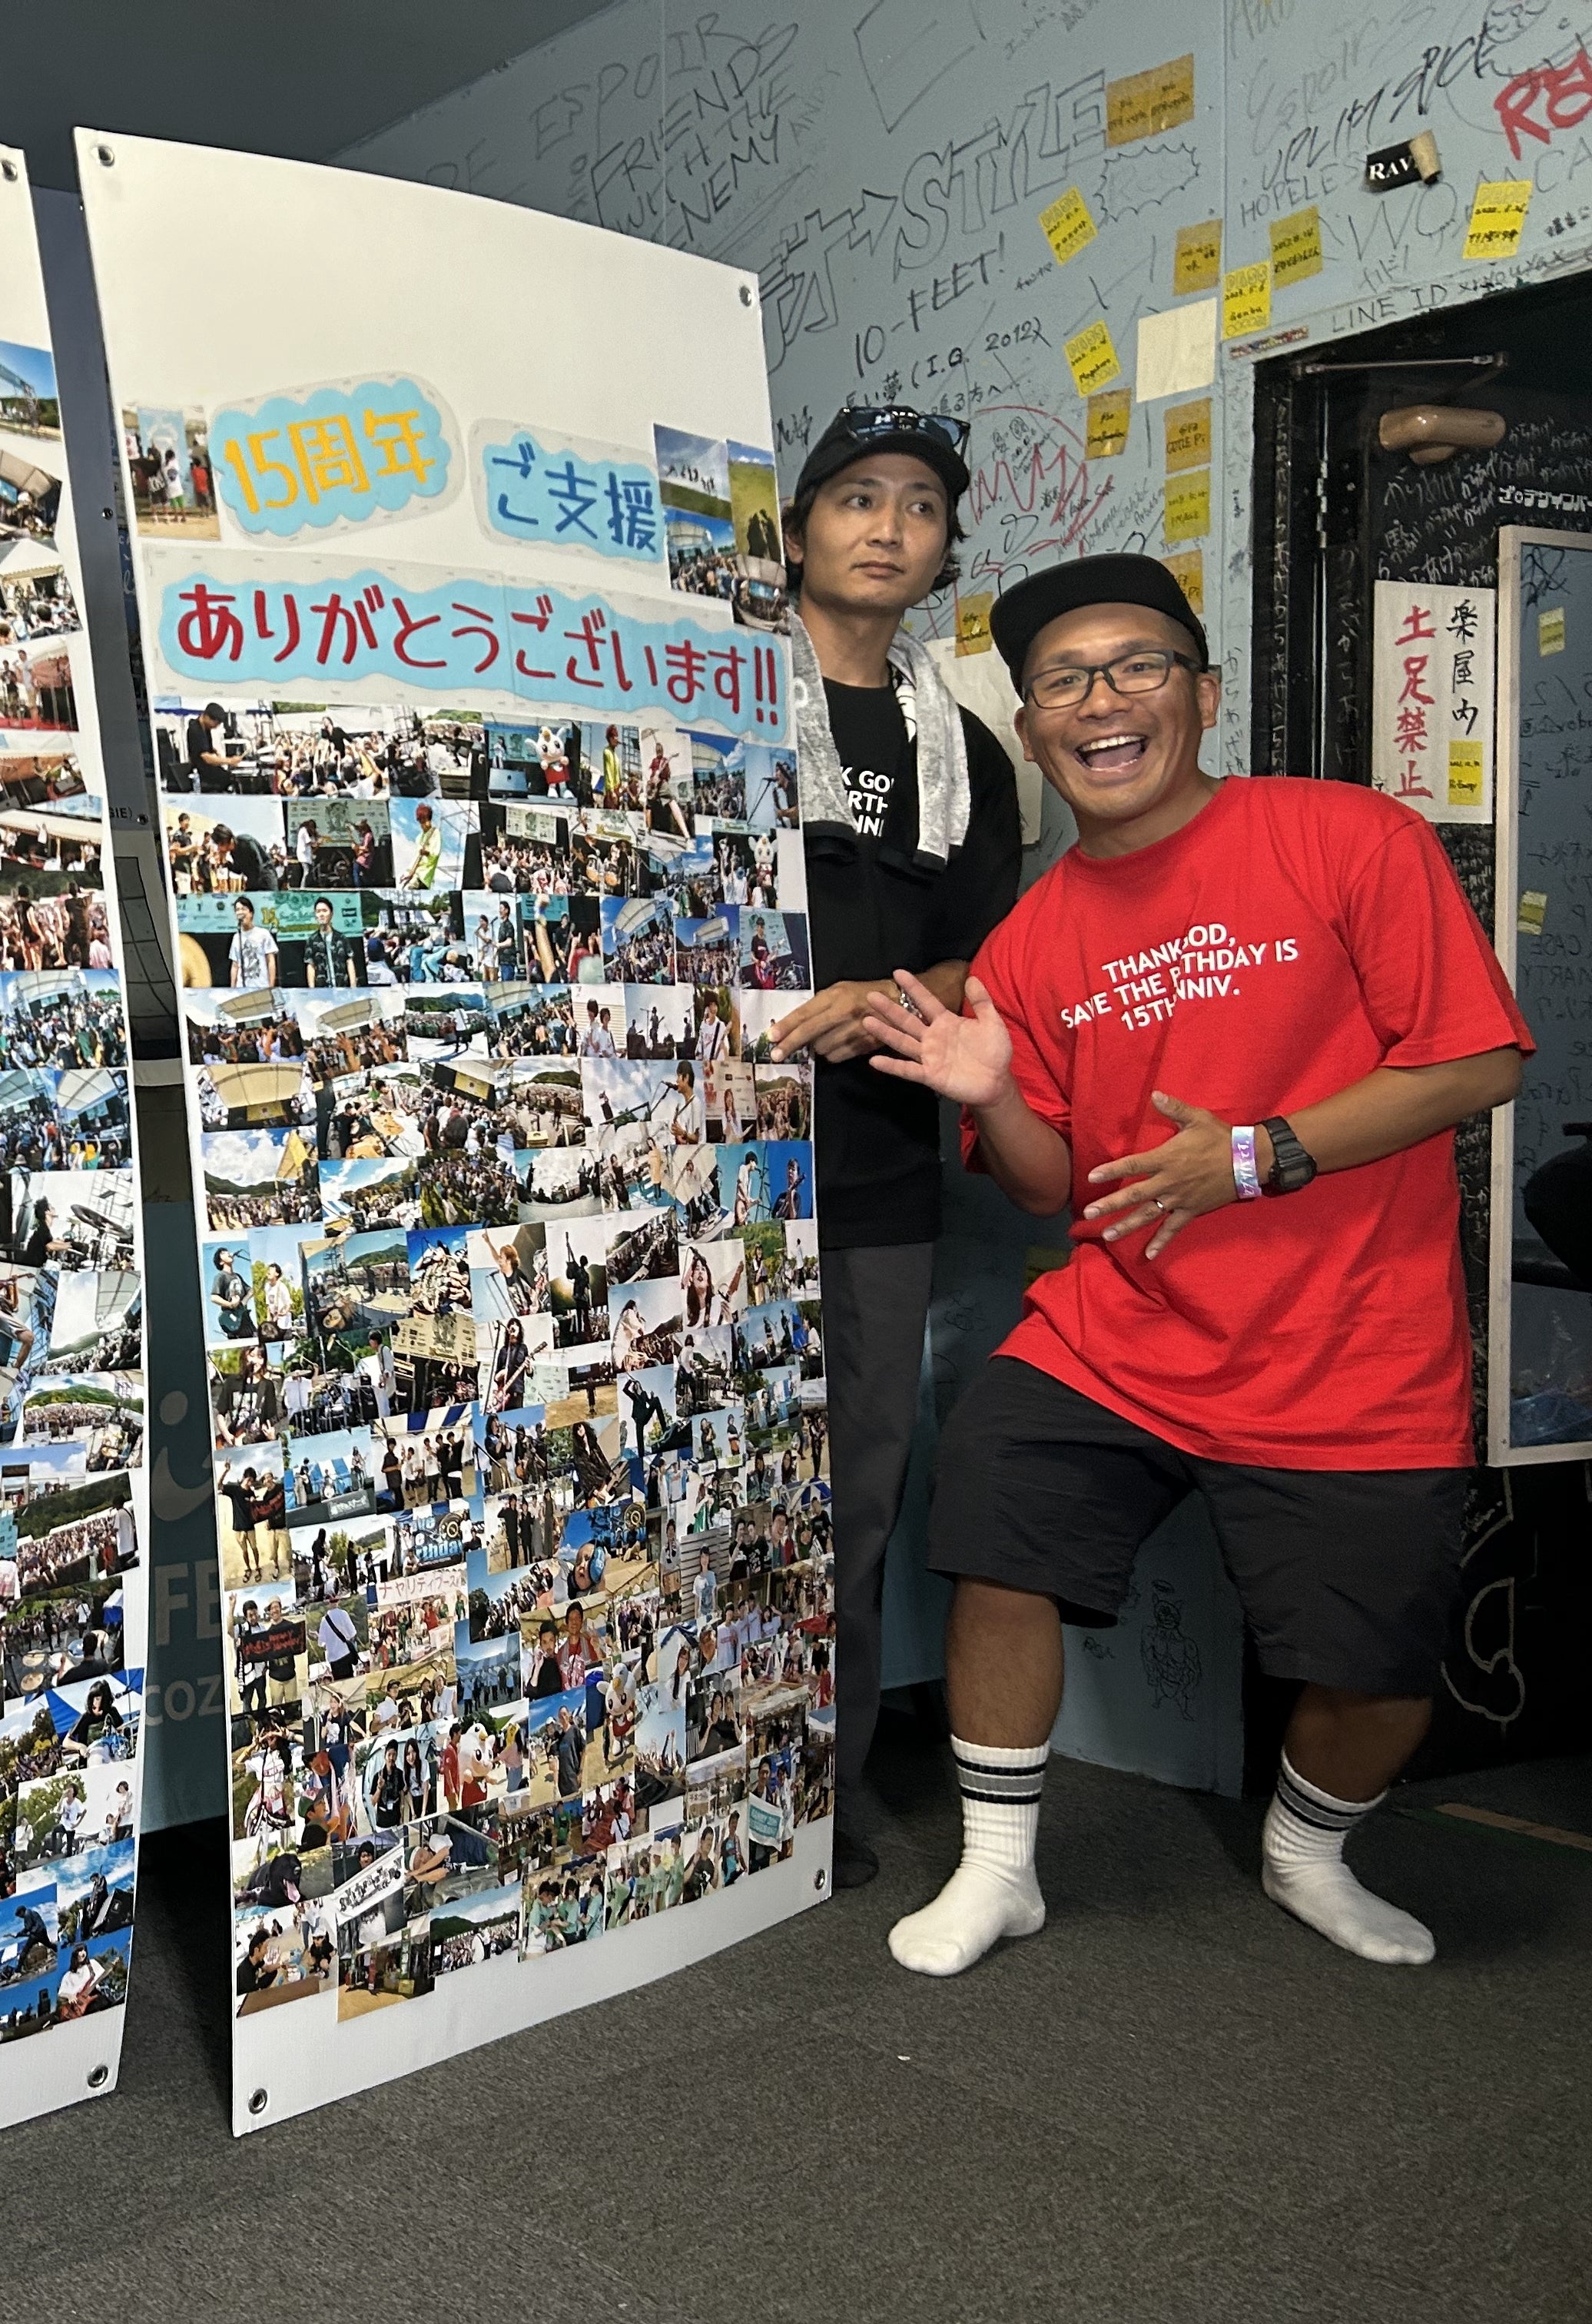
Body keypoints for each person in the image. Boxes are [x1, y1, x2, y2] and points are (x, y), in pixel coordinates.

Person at [866, 553, 1530, 1979]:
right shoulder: (1032, 938)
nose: (1101, 701)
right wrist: (992, 1090)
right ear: (1033, 730)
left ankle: (1306, 1852)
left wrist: (1255, 1155)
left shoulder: (1346, 837)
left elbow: (1475, 1060)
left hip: (1353, 1342)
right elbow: (1050, 1185)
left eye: (1137, 667)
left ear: (1204, 695)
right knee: (993, 1511)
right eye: (1064, 682)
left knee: (1378, 1674)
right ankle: (998, 1869)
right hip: (1121, 1327)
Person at [756, 407, 1023, 1891]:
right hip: (707, 1159)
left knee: (851, 1491)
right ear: (797, 528)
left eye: (919, 504)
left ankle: (821, 1795)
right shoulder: (714, 694)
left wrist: (896, 999)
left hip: (871, 1169)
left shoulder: (961, 748)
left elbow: (996, 954)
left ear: (941, 548)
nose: (886, 525)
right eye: (856, 495)